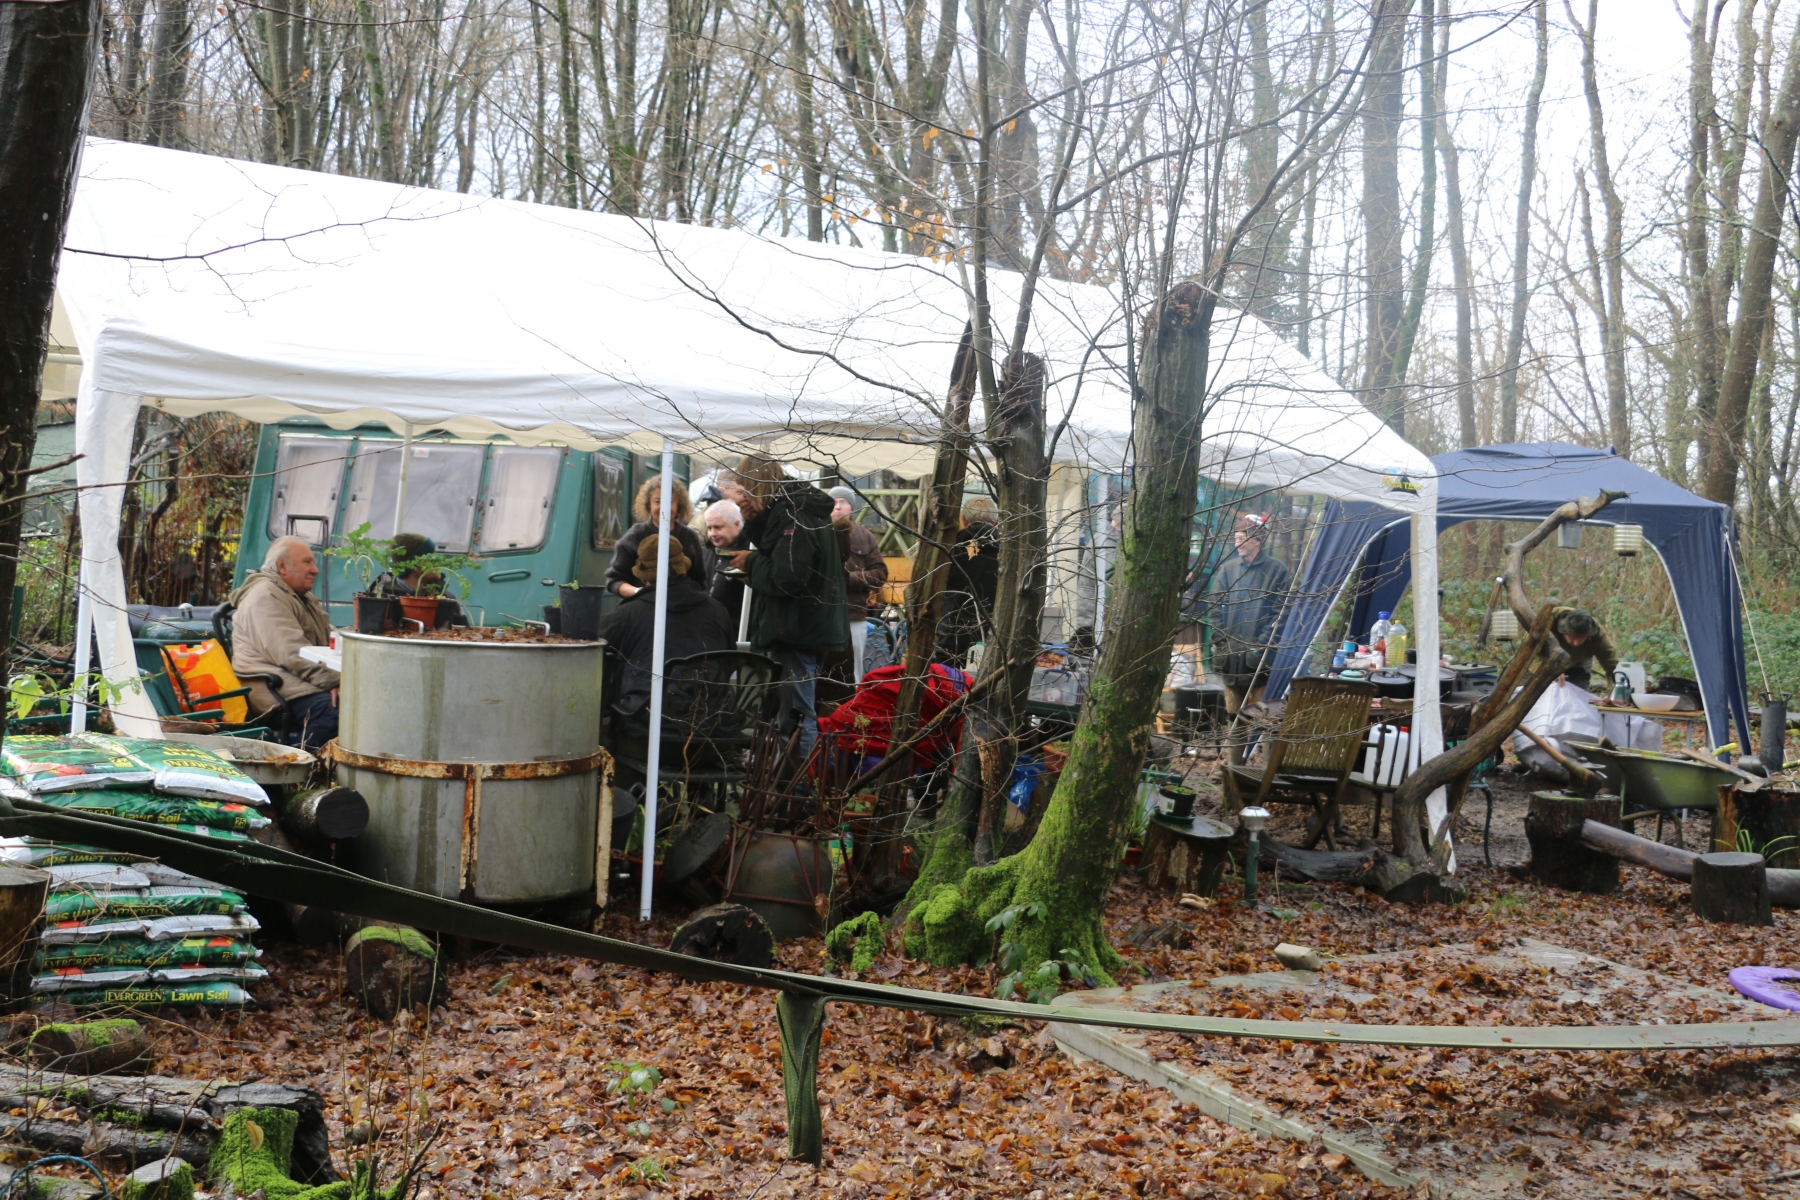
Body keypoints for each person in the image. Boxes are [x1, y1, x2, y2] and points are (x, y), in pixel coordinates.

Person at [718, 455, 847, 754]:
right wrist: (755, 520)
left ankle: (797, 783)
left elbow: (787, 578)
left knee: (796, 719)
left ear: (752, 484)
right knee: (792, 716)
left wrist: (751, 562)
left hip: (797, 631)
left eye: (743, 489)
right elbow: (782, 560)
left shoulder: (793, 513)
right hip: (801, 628)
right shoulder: (792, 508)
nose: (740, 497)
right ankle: (792, 778)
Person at [597, 534, 736, 728]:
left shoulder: (626, 614)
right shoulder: (718, 611)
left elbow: (594, 654)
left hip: (645, 727)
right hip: (713, 727)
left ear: (644, 578)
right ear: (684, 570)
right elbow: (730, 662)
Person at [227, 536, 340, 752]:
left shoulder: (297, 596)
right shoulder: (265, 596)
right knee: (336, 710)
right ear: (282, 566)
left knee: (354, 703)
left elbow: (328, 637)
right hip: (271, 687)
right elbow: (292, 652)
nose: (315, 570)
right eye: (307, 562)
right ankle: (297, 766)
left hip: (292, 678)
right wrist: (332, 682)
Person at [1204, 514, 1291, 760]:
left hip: (1260, 661)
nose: (1237, 543)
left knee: (1267, 717)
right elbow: (1215, 607)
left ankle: (1267, 771)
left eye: (1242, 538)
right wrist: (1222, 641)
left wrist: (1261, 645)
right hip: (1230, 658)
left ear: (1258, 541)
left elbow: (1280, 613)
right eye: (1235, 538)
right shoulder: (1228, 570)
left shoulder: (1276, 570)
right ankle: (1234, 768)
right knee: (1234, 716)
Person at [605, 478, 708, 599]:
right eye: (658, 502)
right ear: (648, 505)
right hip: (643, 606)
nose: (664, 507)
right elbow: (614, 581)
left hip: (682, 607)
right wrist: (643, 592)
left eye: (669, 502)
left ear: (679, 505)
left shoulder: (690, 537)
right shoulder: (634, 536)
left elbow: (699, 581)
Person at [828, 486, 888, 681]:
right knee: (824, 670)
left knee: (853, 672)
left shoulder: (865, 536)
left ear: (852, 507)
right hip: (823, 614)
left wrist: (853, 578)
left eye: (843, 502)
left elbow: (880, 573)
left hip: (853, 613)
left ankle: (853, 700)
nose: (837, 507)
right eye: (833, 502)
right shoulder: (817, 533)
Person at [937, 495, 1000, 665]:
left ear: (963, 520)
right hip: (994, 639)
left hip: (952, 637)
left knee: (948, 681)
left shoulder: (949, 549)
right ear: (995, 523)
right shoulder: (1007, 552)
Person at [387, 532, 466, 626]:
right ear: (414, 565)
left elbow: (465, 631)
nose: (439, 561)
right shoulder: (383, 599)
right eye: (431, 558)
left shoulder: (447, 599)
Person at [700, 498, 749, 633]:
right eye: (709, 528)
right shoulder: (705, 553)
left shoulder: (750, 554)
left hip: (739, 633)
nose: (712, 534)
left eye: (718, 527)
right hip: (707, 630)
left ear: (737, 524)